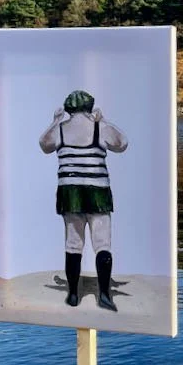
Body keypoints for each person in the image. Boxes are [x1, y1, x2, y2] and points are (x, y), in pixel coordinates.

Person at [39, 90, 128, 311]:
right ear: (89, 107)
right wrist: (104, 119)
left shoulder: (60, 130)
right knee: (102, 244)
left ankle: (72, 294)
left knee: (73, 244)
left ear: (68, 108)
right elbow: (122, 143)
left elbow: (44, 145)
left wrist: (55, 121)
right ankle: (105, 295)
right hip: (98, 193)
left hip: (71, 194)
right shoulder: (100, 128)